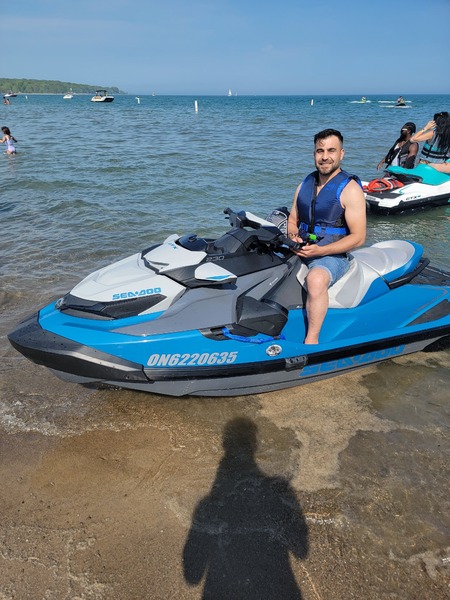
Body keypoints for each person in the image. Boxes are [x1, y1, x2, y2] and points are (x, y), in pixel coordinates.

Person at [287, 129, 366, 344]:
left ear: (341, 154)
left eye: (331, 150)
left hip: (333, 255)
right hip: (302, 247)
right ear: (314, 153)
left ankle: (312, 341)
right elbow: (293, 219)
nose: (325, 156)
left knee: (316, 280)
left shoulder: (350, 189)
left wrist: (321, 250)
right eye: (320, 151)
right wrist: (293, 237)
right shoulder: (305, 184)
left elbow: (359, 238)